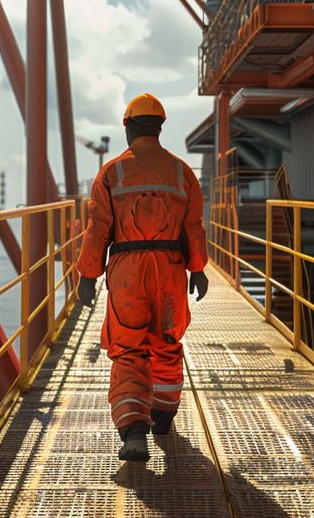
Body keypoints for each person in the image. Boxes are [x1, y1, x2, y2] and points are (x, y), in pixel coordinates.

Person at [75, 92, 209, 462]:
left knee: (129, 347)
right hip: (169, 268)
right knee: (166, 341)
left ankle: (134, 431)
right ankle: (163, 418)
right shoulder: (182, 172)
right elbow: (193, 226)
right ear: (160, 127)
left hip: (127, 271)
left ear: (128, 127)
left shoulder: (112, 172)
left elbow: (98, 229)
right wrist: (197, 269)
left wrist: (88, 275)